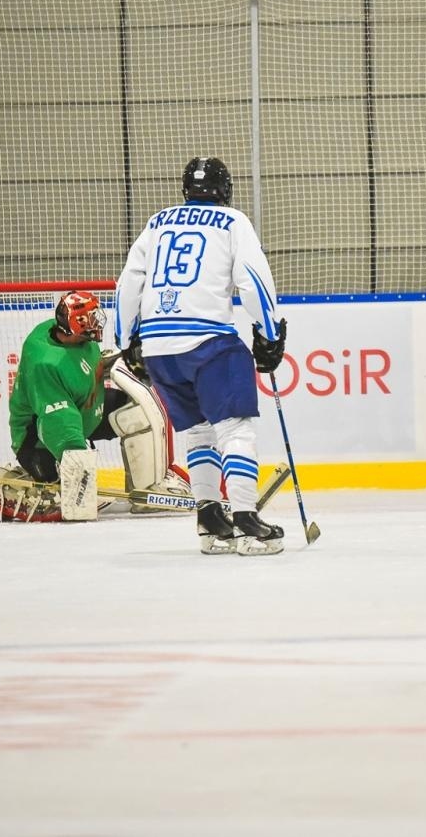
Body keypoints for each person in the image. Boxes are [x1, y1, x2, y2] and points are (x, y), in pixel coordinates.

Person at [115, 156, 289, 555]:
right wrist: (268, 331)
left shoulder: (157, 221)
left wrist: (127, 338)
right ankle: (246, 521)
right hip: (207, 341)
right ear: (225, 190)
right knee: (236, 428)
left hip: (159, 348)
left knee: (198, 433)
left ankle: (211, 522)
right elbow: (254, 278)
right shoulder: (233, 222)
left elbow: (129, 281)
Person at [0, 289, 190, 522]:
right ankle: (5, 487)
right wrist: (80, 475)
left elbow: (87, 365)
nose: (98, 321)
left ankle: (149, 485)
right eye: (92, 317)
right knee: (55, 495)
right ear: (77, 323)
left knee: (134, 411)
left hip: (84, 412)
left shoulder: (75, 338)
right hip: (41, 439)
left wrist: (118, 358)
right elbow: (60, 421)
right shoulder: (46, 363)